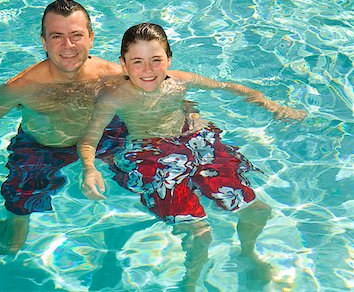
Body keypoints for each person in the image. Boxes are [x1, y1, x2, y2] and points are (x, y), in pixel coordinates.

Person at [0, 0, 201, 291]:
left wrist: (190, 111)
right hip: (42, 148)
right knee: (14, 240)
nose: (68, 45)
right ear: (43, 41)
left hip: (104, 137)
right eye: (56, 36)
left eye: (76, 35)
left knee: (161, 189)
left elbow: (160, 84)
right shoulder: (22, 87)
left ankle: (190, 270)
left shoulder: (113, 73)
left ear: (91, 37)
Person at [78, 23, 306, 291]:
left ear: (169, 59)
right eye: (137, 62)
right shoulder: (115, 98)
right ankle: (191, 282)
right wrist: (89, 168)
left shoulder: (179, 82)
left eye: (156, 60)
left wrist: (272, 106)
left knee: (257, 210)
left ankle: (248, 254)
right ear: (124, 65)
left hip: (193, 140)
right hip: (151, 152)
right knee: (199, 232)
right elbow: (89, 138)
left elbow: (229, 86)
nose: (148, 70)